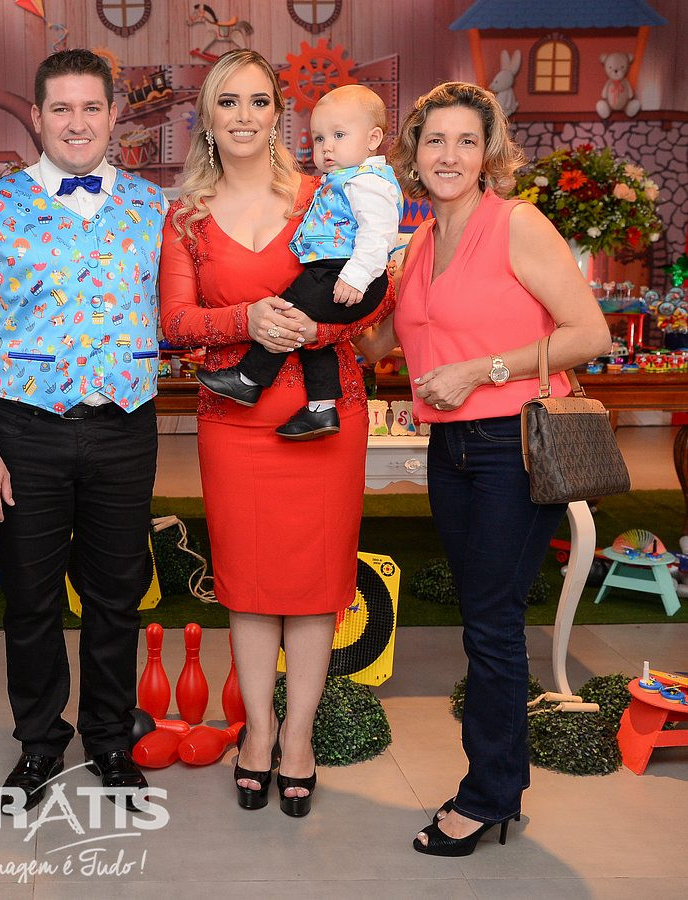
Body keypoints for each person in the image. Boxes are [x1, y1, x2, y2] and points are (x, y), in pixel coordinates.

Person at [354, 82, 610, 856]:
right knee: (480, 617)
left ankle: (488, 796)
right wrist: (333, 277)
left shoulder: (516, 224)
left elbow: (588, 333)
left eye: (465, 141)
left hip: (514, 444)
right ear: (412, 152)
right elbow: (375, 346)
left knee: (491, 625)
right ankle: (496, 786)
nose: (449, 155)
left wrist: (481, 369)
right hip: (450, 451)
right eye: (434, 140)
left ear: (487, 153)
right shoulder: (415, 246)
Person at [159, 49, 391, 816]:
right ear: (207, 116)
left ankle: (298, 738)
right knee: (251, 585)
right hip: (234, 421)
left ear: (277, 115)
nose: (244, 116)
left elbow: (374, 292)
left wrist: (313, 330)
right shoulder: (185, 217)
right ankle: (256, 733)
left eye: (258, 101)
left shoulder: (326, 193)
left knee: (316, 585)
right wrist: (246, 319)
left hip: (324, 418)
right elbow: (176, 322)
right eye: (228, 101)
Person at [0, 49, 165, 813]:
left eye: (90, 107)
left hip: (124, 427)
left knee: (116, 594)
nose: (76, 122)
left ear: (113, 115)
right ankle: (39, 741)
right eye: (61, 108)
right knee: (31, 598)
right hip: (24, 429)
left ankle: (108, 738)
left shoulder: (153, 207)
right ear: (36, 117)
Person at [196, 84, 401, 440]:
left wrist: (355, 277)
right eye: (319, 138)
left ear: (373, 139)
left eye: (339, 135)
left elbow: (378, 234)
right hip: (336, 269)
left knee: (287, 312)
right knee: (311, 335)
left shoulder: (367, 182)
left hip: (346, 272)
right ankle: (321, 409)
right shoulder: (340, 180)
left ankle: (248, 379)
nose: (327, 147)